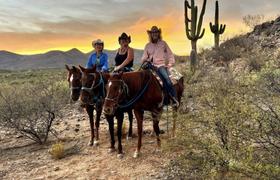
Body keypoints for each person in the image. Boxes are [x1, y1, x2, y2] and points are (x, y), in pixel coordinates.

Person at [141, 26, 179, 107]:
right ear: (150, 34)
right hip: (151, 65)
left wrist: (170, 64)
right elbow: (144, 57)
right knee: (142, 79)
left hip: (160, 65)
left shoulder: (163, 43)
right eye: (153, 33)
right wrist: (145, 60)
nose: (154, 34)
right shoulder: (147, 45)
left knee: (167, 80)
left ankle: (173, 99)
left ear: (158, 33)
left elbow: (170, 54)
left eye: (156, 32)